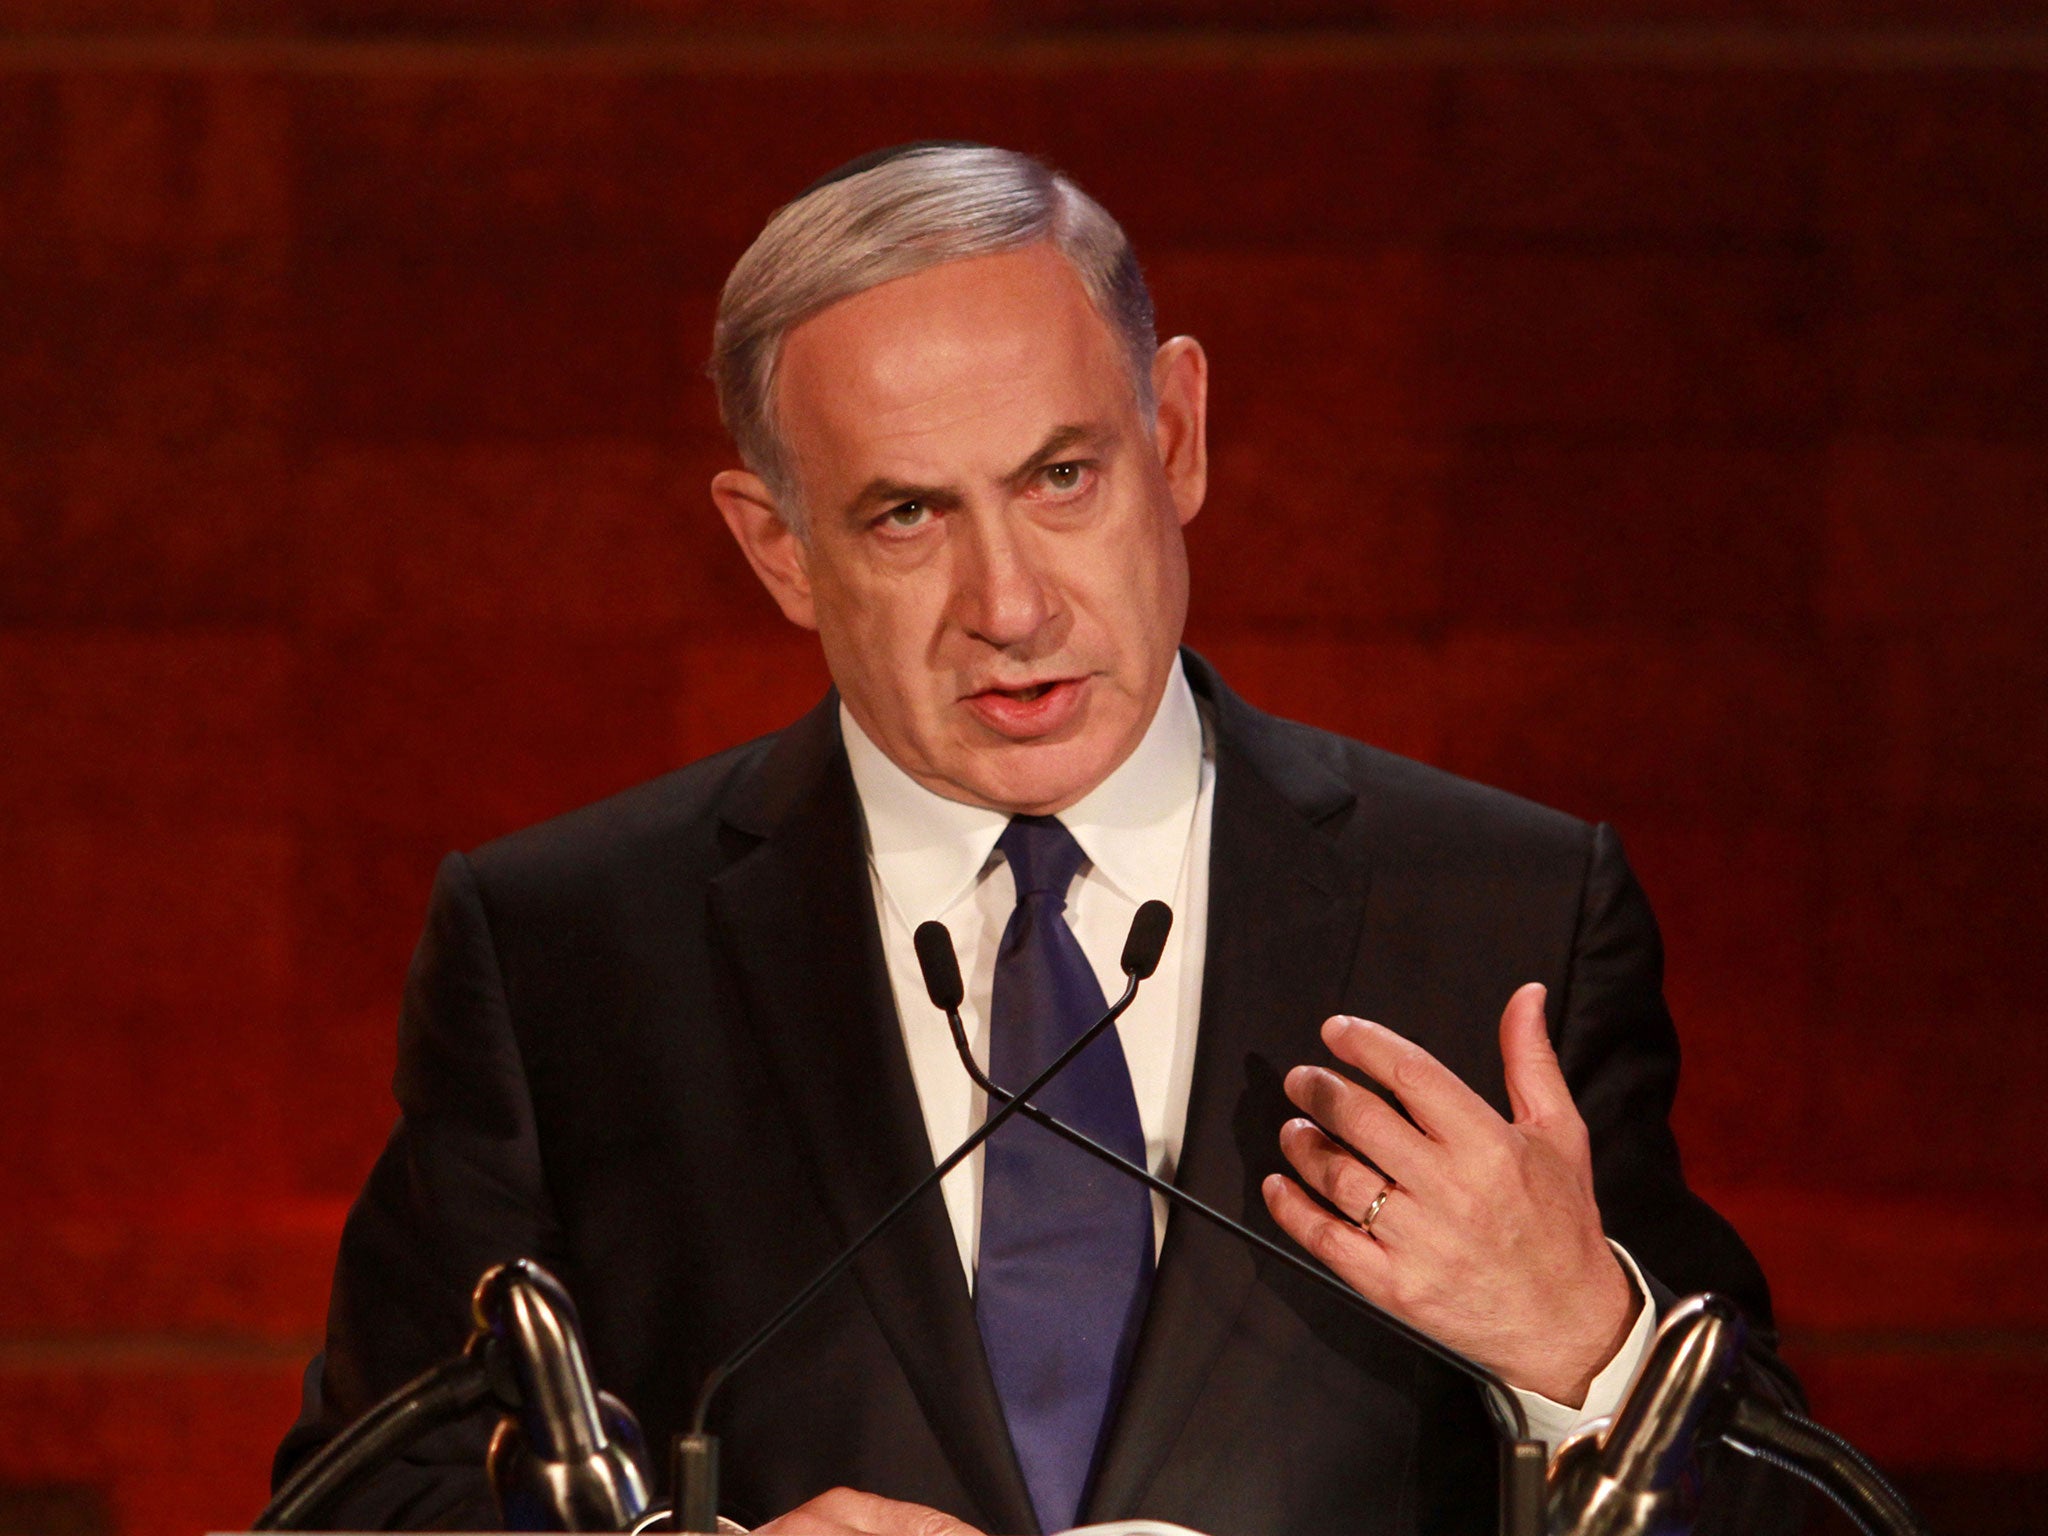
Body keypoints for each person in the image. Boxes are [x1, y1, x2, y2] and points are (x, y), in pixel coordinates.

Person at [275, 143, 1801, 1535]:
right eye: (905, 518)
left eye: (1061, 478)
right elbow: (359, 1503)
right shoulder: (566, 953)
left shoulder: (1505, 915)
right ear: (775, 544)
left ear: (1179, 436)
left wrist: (1588, 1346)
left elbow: (1801, 1509)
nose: (1010, 609)